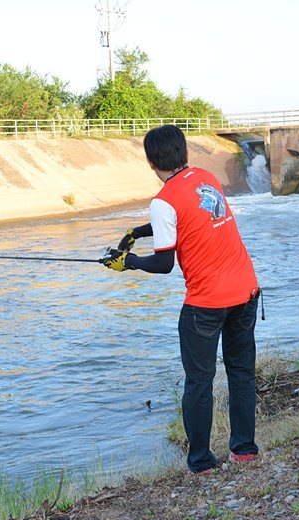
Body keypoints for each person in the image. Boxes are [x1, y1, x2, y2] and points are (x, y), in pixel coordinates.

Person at [102, 124, 261, 474]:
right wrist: (137, 232)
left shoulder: (162, 201)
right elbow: (194, 217)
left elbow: (163, 264)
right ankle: (245, 451)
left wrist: (126, 262)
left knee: (200, 382)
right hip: (246, 291)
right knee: (240, 373)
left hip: (206, 304)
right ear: (184, 153)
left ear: (150, 162)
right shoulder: (206, 178)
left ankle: (202, 463)